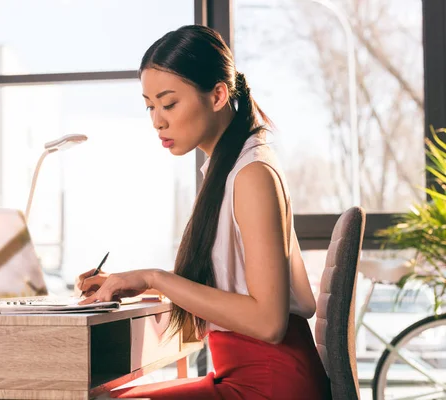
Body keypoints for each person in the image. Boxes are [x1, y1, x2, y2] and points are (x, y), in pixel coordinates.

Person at [76, 24, 331, 400]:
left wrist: (155, 277)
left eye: (169, 103)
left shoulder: (251, 175)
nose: (157, 120)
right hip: (259, 377)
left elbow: (269, 322)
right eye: (150, 106)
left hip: (270, 387)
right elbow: (302, 302)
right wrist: (137, 283)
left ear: (217, 96)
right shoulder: (232, 169)